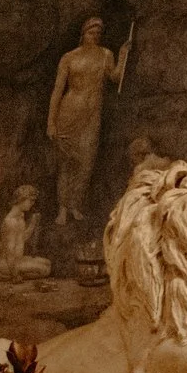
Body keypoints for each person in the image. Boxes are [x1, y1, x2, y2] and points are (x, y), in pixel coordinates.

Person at [47, 14, 131, 235]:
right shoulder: (69, 58)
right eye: (91, 32)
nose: (95, 36)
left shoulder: (105, 55)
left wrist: (122, 55)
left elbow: (115, 77)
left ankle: (75, 204)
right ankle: (63, 208)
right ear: (83, 33)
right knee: (66, 162)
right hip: (69, 112)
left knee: (86, 163)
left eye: (98, 33)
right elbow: (57, 90)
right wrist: (51, 122)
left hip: (92, 116)